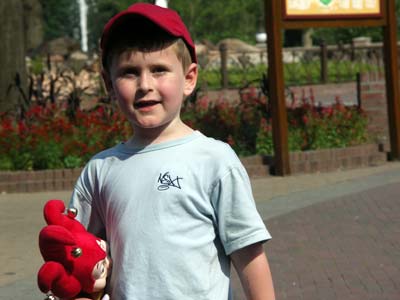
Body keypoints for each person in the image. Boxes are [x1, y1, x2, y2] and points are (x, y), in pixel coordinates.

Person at [69, 2, 275, 299]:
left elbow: (249, 255)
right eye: (129, 72)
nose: (144, 85)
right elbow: (80, 257)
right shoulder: (100, 170)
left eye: (159, 70)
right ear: (109, 84)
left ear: (189, 78)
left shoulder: (214, 160)